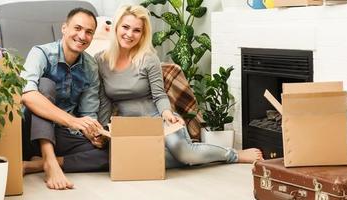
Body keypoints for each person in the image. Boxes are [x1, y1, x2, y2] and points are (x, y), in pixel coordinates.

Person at [96, 5, 263, 169]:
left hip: (158, 118)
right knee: (136, 159)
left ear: (143, 34)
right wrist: (104, 130)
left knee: (184, 153)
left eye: (136, 30)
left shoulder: (148, 58)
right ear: (116, 26)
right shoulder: (100, 60)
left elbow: (159, 95)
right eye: (125, 27)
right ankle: (196, 158)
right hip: (129, 127)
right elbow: (104, 100)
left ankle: (232, 155)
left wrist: (167, 113)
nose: (129, 34)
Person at [20, 7, 109, 190]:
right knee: (45, 85)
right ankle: (49, 160)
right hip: (30, 133)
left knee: (111, 153)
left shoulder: (91, 66)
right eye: (77, 28)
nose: (82, 36)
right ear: (64, 28)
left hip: (63, 135)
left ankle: (36, 164)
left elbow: (88, 112)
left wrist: (92, 133)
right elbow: (27, 95)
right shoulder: (41, 53)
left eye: (89, 32)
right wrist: (72, 121)